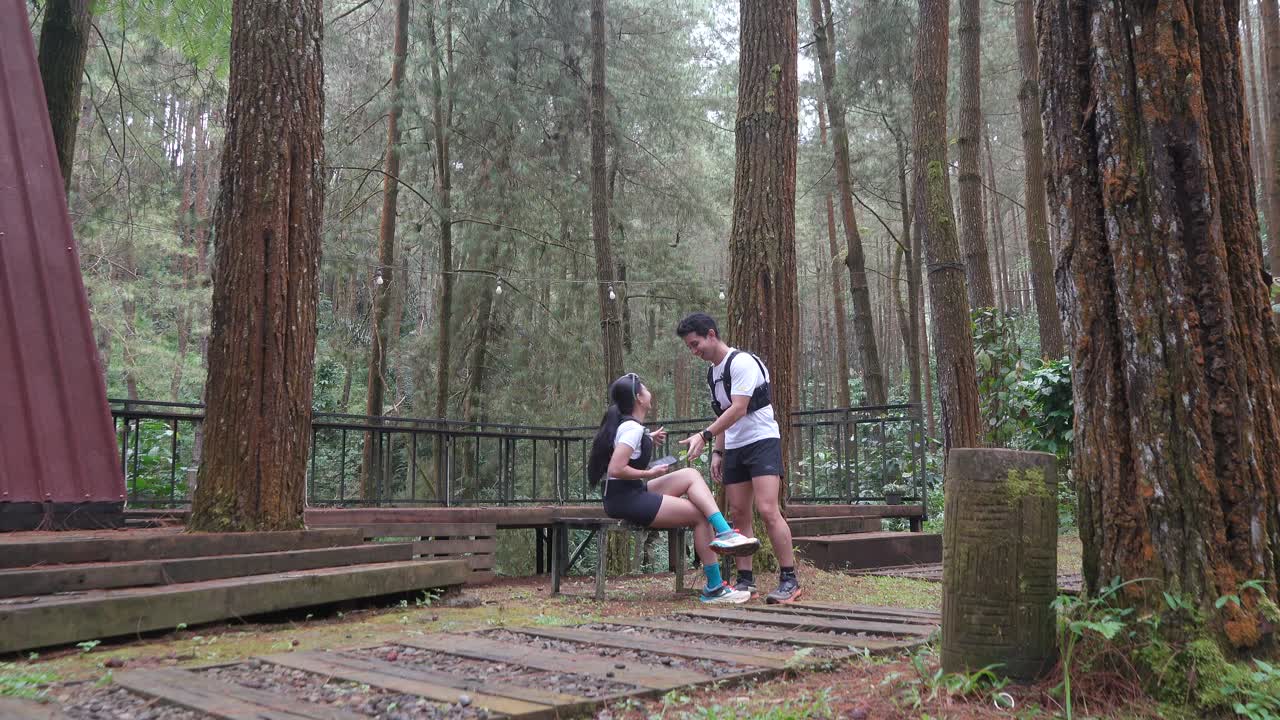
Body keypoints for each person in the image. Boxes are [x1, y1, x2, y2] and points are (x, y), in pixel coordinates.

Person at [587, 372, 760, 603]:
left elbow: (624, 447)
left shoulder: (631, 427)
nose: (649, 392)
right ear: (639, 397)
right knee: (699, 515)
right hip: (625, 499)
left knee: (689, 474)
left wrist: (648, 437)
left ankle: (725, 533)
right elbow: (616, 468)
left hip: (629, 493)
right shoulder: (632, 430)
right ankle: (715, 587)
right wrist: (649, 472)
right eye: (646, 389)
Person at [675, 312, 802, 604]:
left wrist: (704, 436)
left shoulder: (742, 362)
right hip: (734, 447)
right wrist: (718, 451)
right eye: (689, 348)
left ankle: (789, 579)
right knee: (738, 514)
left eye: (696, 344)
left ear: (711, 334)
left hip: (762, 441)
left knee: (768, 509)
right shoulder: (713, 373)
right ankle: (746, 581)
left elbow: (739, 408)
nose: (694, 351)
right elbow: (724, 415)